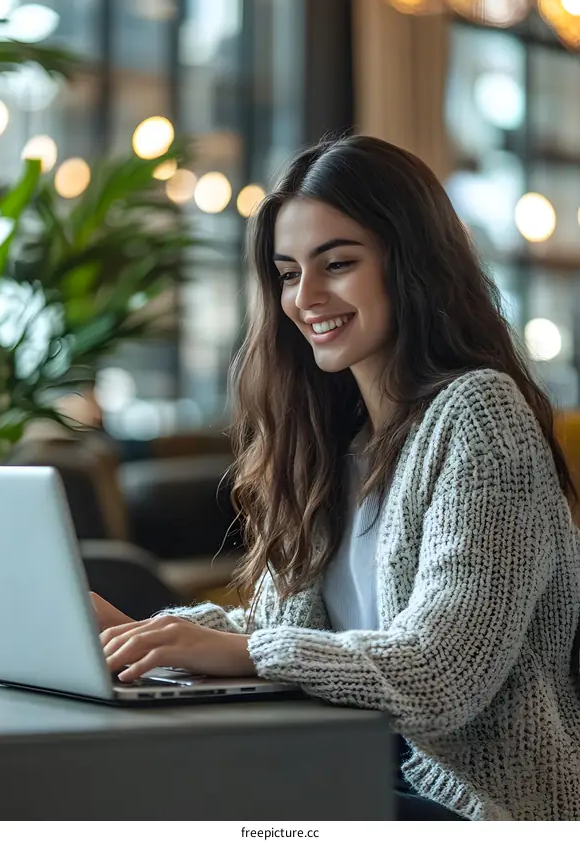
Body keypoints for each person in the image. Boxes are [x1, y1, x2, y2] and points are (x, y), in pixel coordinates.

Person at [91, 135, 580, 821]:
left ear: (413, 265)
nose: (306, 297)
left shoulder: (479, 412)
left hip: (471, 801)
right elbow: (280, 629)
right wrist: (142, 635)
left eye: (338, 263)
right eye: (288, 273)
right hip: (344, 761)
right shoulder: (331, 442)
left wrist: (241, 650)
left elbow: (442, 672)